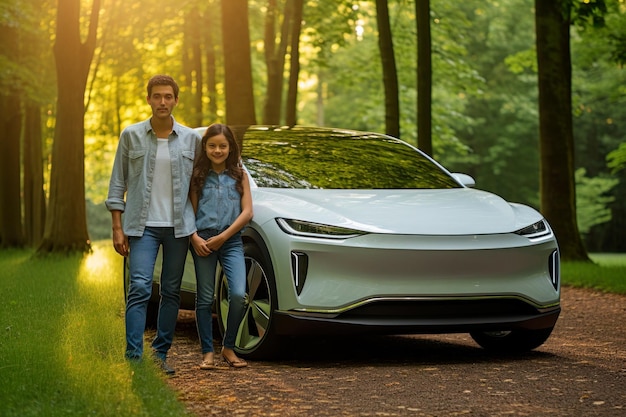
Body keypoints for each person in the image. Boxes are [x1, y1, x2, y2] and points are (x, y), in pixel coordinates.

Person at [105, 75, 201, 375]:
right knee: (139, 288)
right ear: (148, 99)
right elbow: (117, 183)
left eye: (168, 97)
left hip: (178, 228)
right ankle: (134, 357)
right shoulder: (131, 136)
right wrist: (117, 227)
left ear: (175, 100)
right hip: (141, 227)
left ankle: (160, 354)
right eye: (157, 96)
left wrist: (197, 228)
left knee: (171, 291)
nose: (162, 101)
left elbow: (197, 187)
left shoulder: (191, 139)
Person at [189, 123, 253, 369]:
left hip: (231, 241)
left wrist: (224, 237)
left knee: (238, 295)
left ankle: (229, 347)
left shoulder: (240, 175)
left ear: (231, 148)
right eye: (212, 145)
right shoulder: (198, 176)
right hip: (203, 241)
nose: (217, 150)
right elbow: (190, 212)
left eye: (222, 146)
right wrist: (194, 237)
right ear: (205, 147)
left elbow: (247, 212)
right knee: (205, 298)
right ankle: (207, 352)